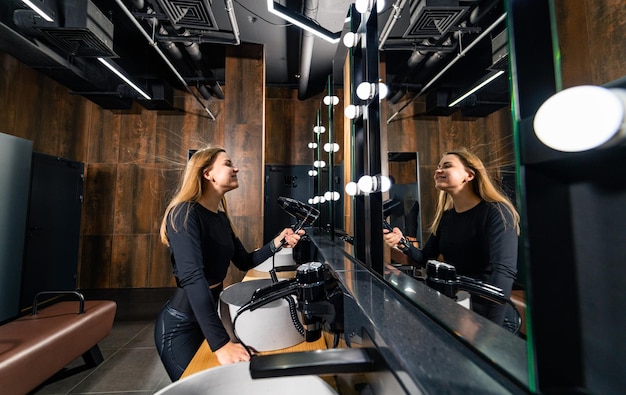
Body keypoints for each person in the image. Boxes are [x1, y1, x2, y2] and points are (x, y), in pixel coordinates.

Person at [154, 145, 303, 381]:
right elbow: (193, 279)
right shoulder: (183, 213)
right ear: (207, 173)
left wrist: (277, 243)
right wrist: (221, 345)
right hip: (181, 326)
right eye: (227, 164)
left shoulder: (220, 218)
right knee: (200, 386)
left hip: (211, 314)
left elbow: (245, 261)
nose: (236, 168)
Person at [383, 148, 519, 325]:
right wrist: (403, 244)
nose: (438, 170)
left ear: (469, 175)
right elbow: (427, 259)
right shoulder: (446, 217)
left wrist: (489, 330)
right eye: (438, 167)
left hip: (491, 316)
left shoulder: (497, 212)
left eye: (447, 166)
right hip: (459, 308)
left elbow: (503, 274)